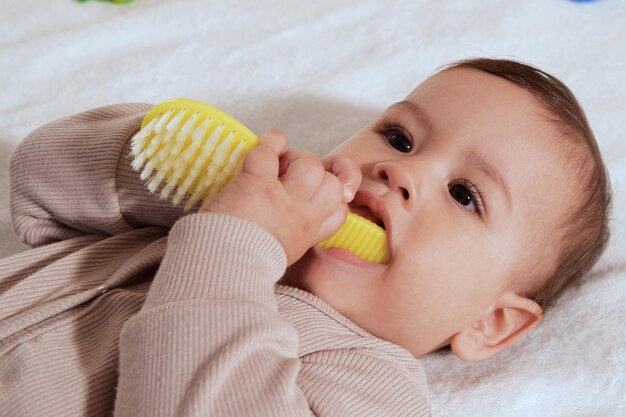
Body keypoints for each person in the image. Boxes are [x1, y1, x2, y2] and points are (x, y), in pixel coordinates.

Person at [0, 58, 611, 417]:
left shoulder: (370, 387)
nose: (402, 171)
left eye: (464, 195)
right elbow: (36, 185)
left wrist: (232, 244)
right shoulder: (199, 219)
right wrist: (178, 169)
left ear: (490, 324)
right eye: (399, 138)